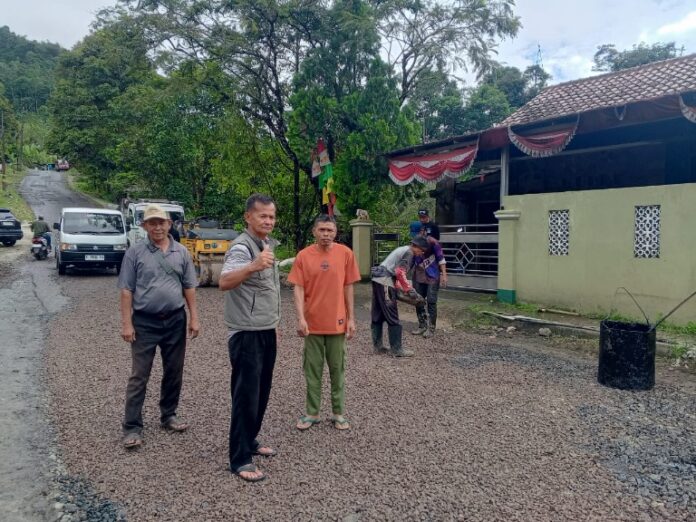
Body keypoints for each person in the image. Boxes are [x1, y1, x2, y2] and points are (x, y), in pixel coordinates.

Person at [118, 204, 200, 449]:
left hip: (175, 319)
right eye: (152, 223)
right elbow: (126, 289)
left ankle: (169, 414)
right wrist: (127, 323)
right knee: (139, 374)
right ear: (144, 226)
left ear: (169, 224)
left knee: (174, 370)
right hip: (145, 321)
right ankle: (132, 426)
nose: (157, 227)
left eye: (161, 222)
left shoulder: (181, 252)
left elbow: (189, 286)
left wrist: (194, 317)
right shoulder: (134, 253)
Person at [219, 194, 281, 483]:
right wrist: (253, 266)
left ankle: (250, 440)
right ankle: (240, 458)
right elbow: (224, 282)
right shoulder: (242, 248)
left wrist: (273, 325)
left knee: (261, 391)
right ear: (248, 217)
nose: (268, 221)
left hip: (264, 328)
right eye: (262, 216)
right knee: (246, 395)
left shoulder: (264, 244)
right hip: (246, 333)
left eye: (271, 216)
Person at [288, 215, 361, 432]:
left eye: (330, 230)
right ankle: (312, 412)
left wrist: (351, 318)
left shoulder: (345, 254)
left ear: (335, 232)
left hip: (337, 323)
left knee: (338, 370)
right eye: (322, 230)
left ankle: (338, 413)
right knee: (312, 371)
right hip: (312, 324)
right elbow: (298, 287)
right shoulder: (303, 256)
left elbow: (348, 286)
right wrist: (300, 318)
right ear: (314, 232)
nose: (326, 234)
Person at [370, 237, 429, 357]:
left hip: (378, 278)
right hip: (385, 280)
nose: (421, 253)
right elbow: (399, 272)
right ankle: (396, 349)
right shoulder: (409, 252)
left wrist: (399, 287)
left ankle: (378, 347)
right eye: (421, 250)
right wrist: (410, 290)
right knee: (392, 314)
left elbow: (394, 273)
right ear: (416, 246)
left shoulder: (403, 249)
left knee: (378, 313)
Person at [411, 236, 447, 338]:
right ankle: (422, 325)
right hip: (419, 276)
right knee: (418, 300)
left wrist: (444, 275)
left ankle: (431, 328)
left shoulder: (434, 244)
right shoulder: (414, 246)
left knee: (431, 301)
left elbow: (441, 259)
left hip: (433, 276)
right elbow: (411, 262)